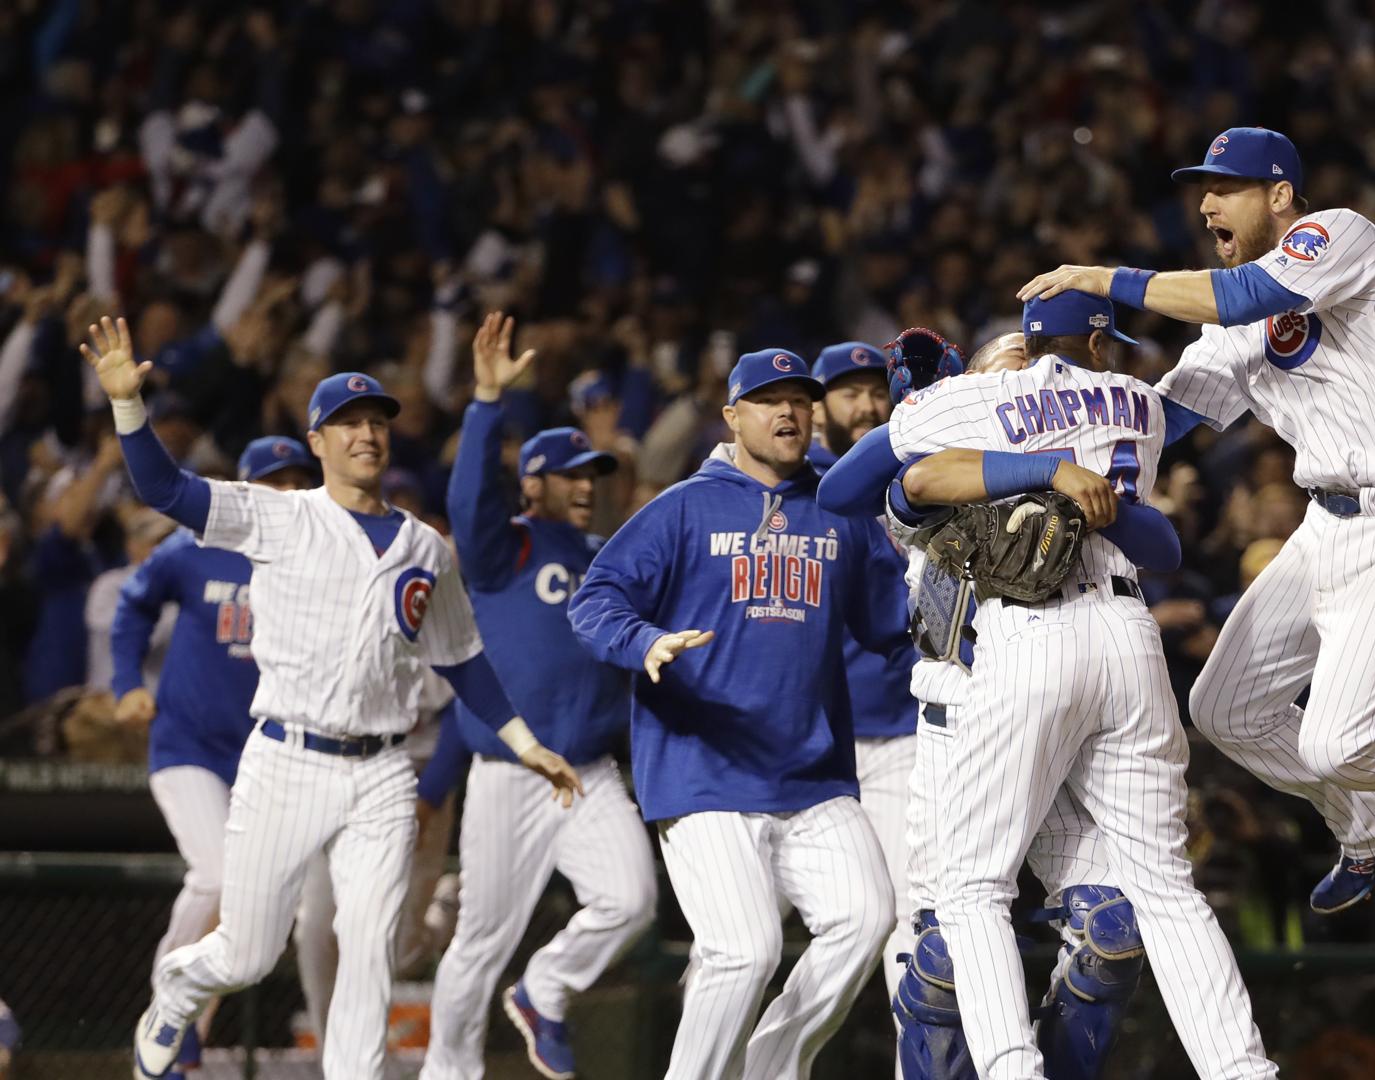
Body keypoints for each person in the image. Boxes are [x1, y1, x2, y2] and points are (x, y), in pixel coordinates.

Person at [1017, 125, 1375, 876]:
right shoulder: (1233, 329)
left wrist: (1102, 276)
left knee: (1342, 742)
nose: (1205, 203)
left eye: (1224, 187)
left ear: (1279, 195)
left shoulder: (1339, 236)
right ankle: (1374, 828)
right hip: (1323, 532)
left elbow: (1254, 293)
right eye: (1201, 190)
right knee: (1225, 710)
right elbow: (1154, 422)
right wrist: (1036, 454)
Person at [80, 317, 582, 1080]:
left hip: (381, 770)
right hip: (287, 758)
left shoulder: (423, 546)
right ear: (316, 441)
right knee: (247, 951)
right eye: (347, 424)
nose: (367, 435)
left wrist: (522, 740)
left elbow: (463, 658)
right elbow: (164, 489)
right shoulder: (278, 514)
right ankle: (178, 987)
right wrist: (127, 408)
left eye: (377, 422)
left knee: (370, 947)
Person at [820, 292, 1277, 1079]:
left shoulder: (983, 403)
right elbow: (916, 482)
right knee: (945, 945)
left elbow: (1153, 532)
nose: (1009, 378)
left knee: (1098, 924)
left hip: (1025, 668)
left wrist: (1063, 478)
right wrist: (1064, 473)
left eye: (1015, 362)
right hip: (984, 700)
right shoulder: (1117, 407)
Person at [568, 348, 911, 1080]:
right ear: (732, 416)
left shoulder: (839, 509)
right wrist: (646, 640)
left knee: (866, 917)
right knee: (744, 949)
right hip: (704, 771)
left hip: (811, 776)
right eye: (767, 400)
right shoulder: (683, 507)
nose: (787, 412)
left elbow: (894, 628)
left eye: (799, 400)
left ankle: (770, 1070)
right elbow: (594, 600)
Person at [879, 329, 1178, 1080]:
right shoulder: (937, 470)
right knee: (947, 954)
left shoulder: (1081, 485)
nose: (1030, 379)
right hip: (958, 732)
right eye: (1008, 366)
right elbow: (904, 492)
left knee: (1113, 934)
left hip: (1052, 730)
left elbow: (1159, 544)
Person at [422, 312, 659, 1080]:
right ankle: (446, 1073)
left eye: (594, 475)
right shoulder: (506, 547)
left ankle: (544, 989)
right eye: (571, 475)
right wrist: (487, 404)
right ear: (534, 483)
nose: (586, 486)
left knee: (630, 900)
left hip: (588, 774)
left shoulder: (607, 554)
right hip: (510, 774)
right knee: (479, 942)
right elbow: (466, 505)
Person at [110, 434, 317, 1076]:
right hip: (188, 747)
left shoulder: (315, 561)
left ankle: (182, 1042)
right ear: (246, 490)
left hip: (267, 755)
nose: (285, 494)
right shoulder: (195, 546)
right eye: (273, 483)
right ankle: (163, 1016)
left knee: (258, 912)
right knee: (219, 878)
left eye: (295, 482)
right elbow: (132, 606)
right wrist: (125, 686)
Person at [808, 340, 920, 1012]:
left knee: (909, 910)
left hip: (902, 725)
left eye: (875, 390)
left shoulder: (916, 474)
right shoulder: (803, 487)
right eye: (847, 392)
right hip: (819, 738)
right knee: (759, 930)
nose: (866, 404)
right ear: (817, 405)